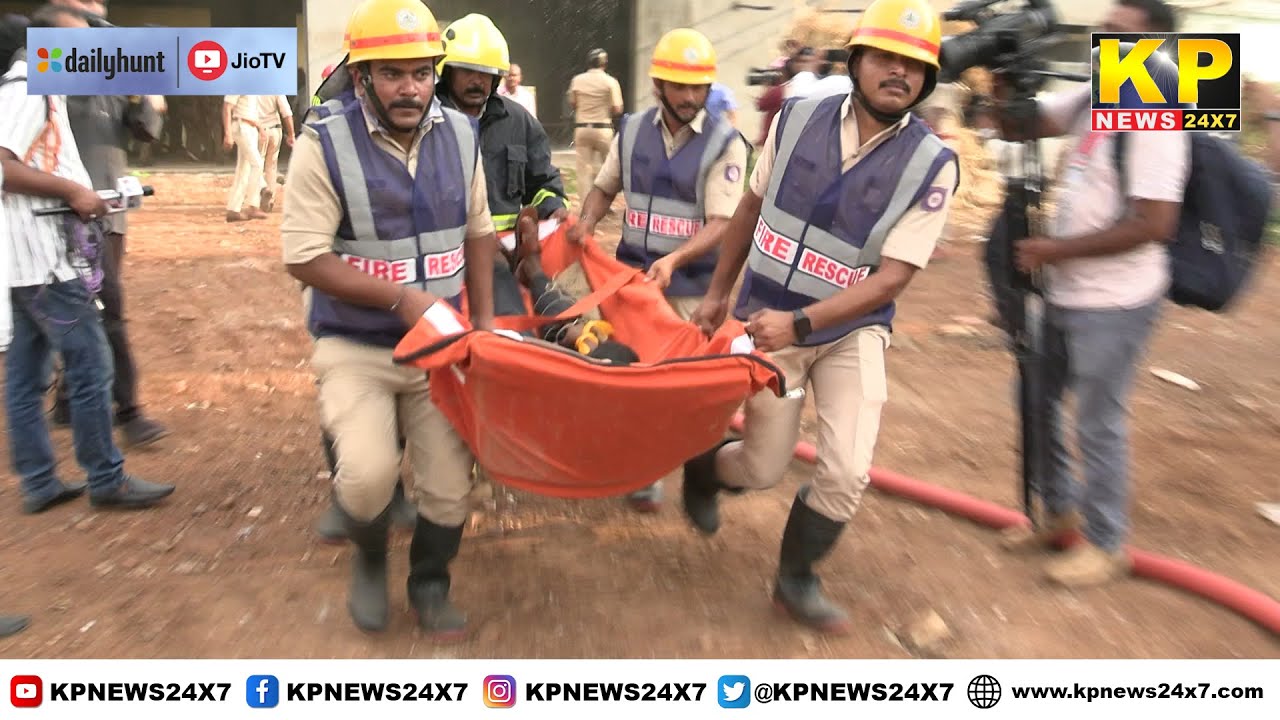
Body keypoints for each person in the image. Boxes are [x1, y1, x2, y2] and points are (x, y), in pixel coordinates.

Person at [679, 0, 958, 634]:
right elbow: (750, 206)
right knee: (761, 467)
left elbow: (894, 277)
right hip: (764, 321)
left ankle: (796, 579)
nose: (899, 73)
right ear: (856, 59)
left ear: (928, 79)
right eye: (886, 57)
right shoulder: (795, 118)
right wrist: (721, 290)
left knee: (846, 470)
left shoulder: (932, 163)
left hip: (847, 333)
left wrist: (802, 325)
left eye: (914, 65)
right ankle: (705, 469)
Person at [281, 0, 495, 639]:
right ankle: (371, 560)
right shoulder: (323, 143)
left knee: (450, 488)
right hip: (357, 343)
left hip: (443, 348)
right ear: (362, 75)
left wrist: (482, 322)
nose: (410, 87)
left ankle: (430, 583)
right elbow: (305, 257)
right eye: (392, 73)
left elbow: (480, 232)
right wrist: (401, 299)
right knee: (369, 477)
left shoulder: (460, 133)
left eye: (421, 72)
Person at [994, 0, 1189, 588]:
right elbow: (1018, 124)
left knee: (1098, 422)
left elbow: (1155, 224)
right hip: (1067, 291)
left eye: (1120, 34)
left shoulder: (1155, 105)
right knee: (1033, 396)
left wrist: (1053, 251)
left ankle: (1107, 543)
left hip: (1116, 299)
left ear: (1155, 46)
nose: (1105, 42)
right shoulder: (1095, 94)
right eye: (1103, 31)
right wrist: (1002, 68)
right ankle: (1058, 515)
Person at [0, 3, 176, 514]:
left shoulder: (39, 88)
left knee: (27, 372)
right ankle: (106, 478)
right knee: (91, 362)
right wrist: (71, 191)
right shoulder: (26, 90)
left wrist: (89, 193)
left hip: (27, 258)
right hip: (45, 261)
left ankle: (39, 482)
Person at [568, 28, 748, 514]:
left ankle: (699, 479)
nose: (690, 97)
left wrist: (673, 261)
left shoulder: (726, 144)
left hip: (690, 287)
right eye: (679, 86)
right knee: (634, 381)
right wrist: (585, 223)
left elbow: (721, 224)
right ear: (658, 86)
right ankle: (645, 472)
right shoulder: (631, 132)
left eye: (698, 87)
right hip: (632, 282)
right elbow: (604, 187)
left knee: (696, 390)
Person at [51, 0, 169, 448]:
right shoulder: (52, 70)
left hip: (109, 206)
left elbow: (145, 130)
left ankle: (128, 410)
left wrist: (146, 94)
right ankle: (70, 397)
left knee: (108, 302)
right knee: (69, 300)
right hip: (63, 201)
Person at [436, 13, 567, 233]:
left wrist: (553, 208)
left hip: (507, 254)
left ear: (497, 78)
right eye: (468, 71)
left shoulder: (519, 122)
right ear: (448, 72)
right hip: (446, 256)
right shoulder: (427, 120)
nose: (477, 80)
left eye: (486, 73)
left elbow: (543, 182)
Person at [568, 48, 622, 210]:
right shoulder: (610, 81)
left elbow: (573, 103)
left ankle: (586, 205)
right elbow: (618, 108)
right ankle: (605, 204)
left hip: (582, 128)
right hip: (603, 128)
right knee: (608, 168)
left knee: (583, 170)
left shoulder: (577, 80)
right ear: (604, 63)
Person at [222, 95, 267, 222]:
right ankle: (253, 205)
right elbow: (227, 107)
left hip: (249, 127)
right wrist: (228, 133)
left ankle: (233, 209)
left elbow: (250, 111)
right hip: (242, 126)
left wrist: (259, 127)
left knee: (243, 170)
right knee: (257, 164)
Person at [255, 94, 295, 213]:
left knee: (256, 164)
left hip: (258, 130)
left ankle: (263, 189)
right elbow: (286, 112)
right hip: (275, 130)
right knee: (271, 166)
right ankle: (270, 200)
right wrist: (291, 134)